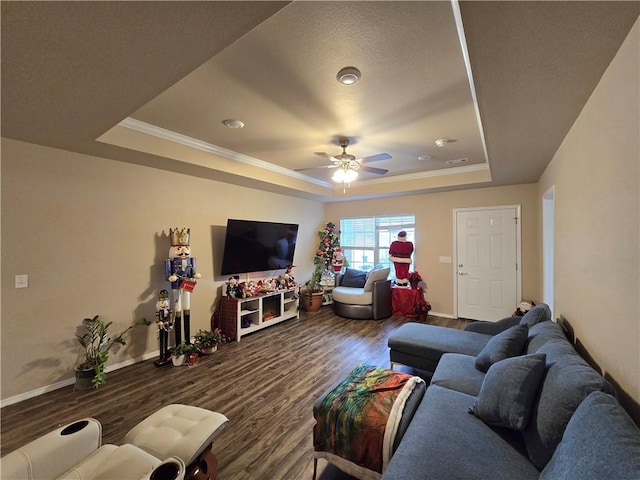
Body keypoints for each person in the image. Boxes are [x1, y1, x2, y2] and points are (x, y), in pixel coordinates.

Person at [165, 227, 201, 344]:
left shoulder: (191, 260)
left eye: (186, 249)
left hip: (187, 283)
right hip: (176, 285)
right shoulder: (170, 261)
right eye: (179, 249)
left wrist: (195, 274)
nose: (183, 252)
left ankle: (187, 341)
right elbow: (167, 274)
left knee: (187, 307)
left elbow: (193, 271)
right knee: (178, 308)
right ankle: (178, 343)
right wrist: (170, 277)